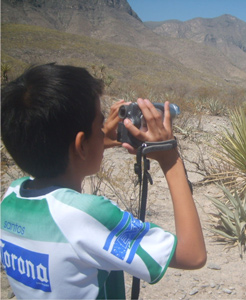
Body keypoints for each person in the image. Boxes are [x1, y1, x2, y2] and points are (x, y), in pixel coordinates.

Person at [0, 63, 206, 299]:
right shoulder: (86, 216)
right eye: (99, 125)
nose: (105, 128)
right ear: (80, 145)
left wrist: (99, 139)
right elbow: (193, 255)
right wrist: (169, 157)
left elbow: (64, 156)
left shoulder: (10, 198)